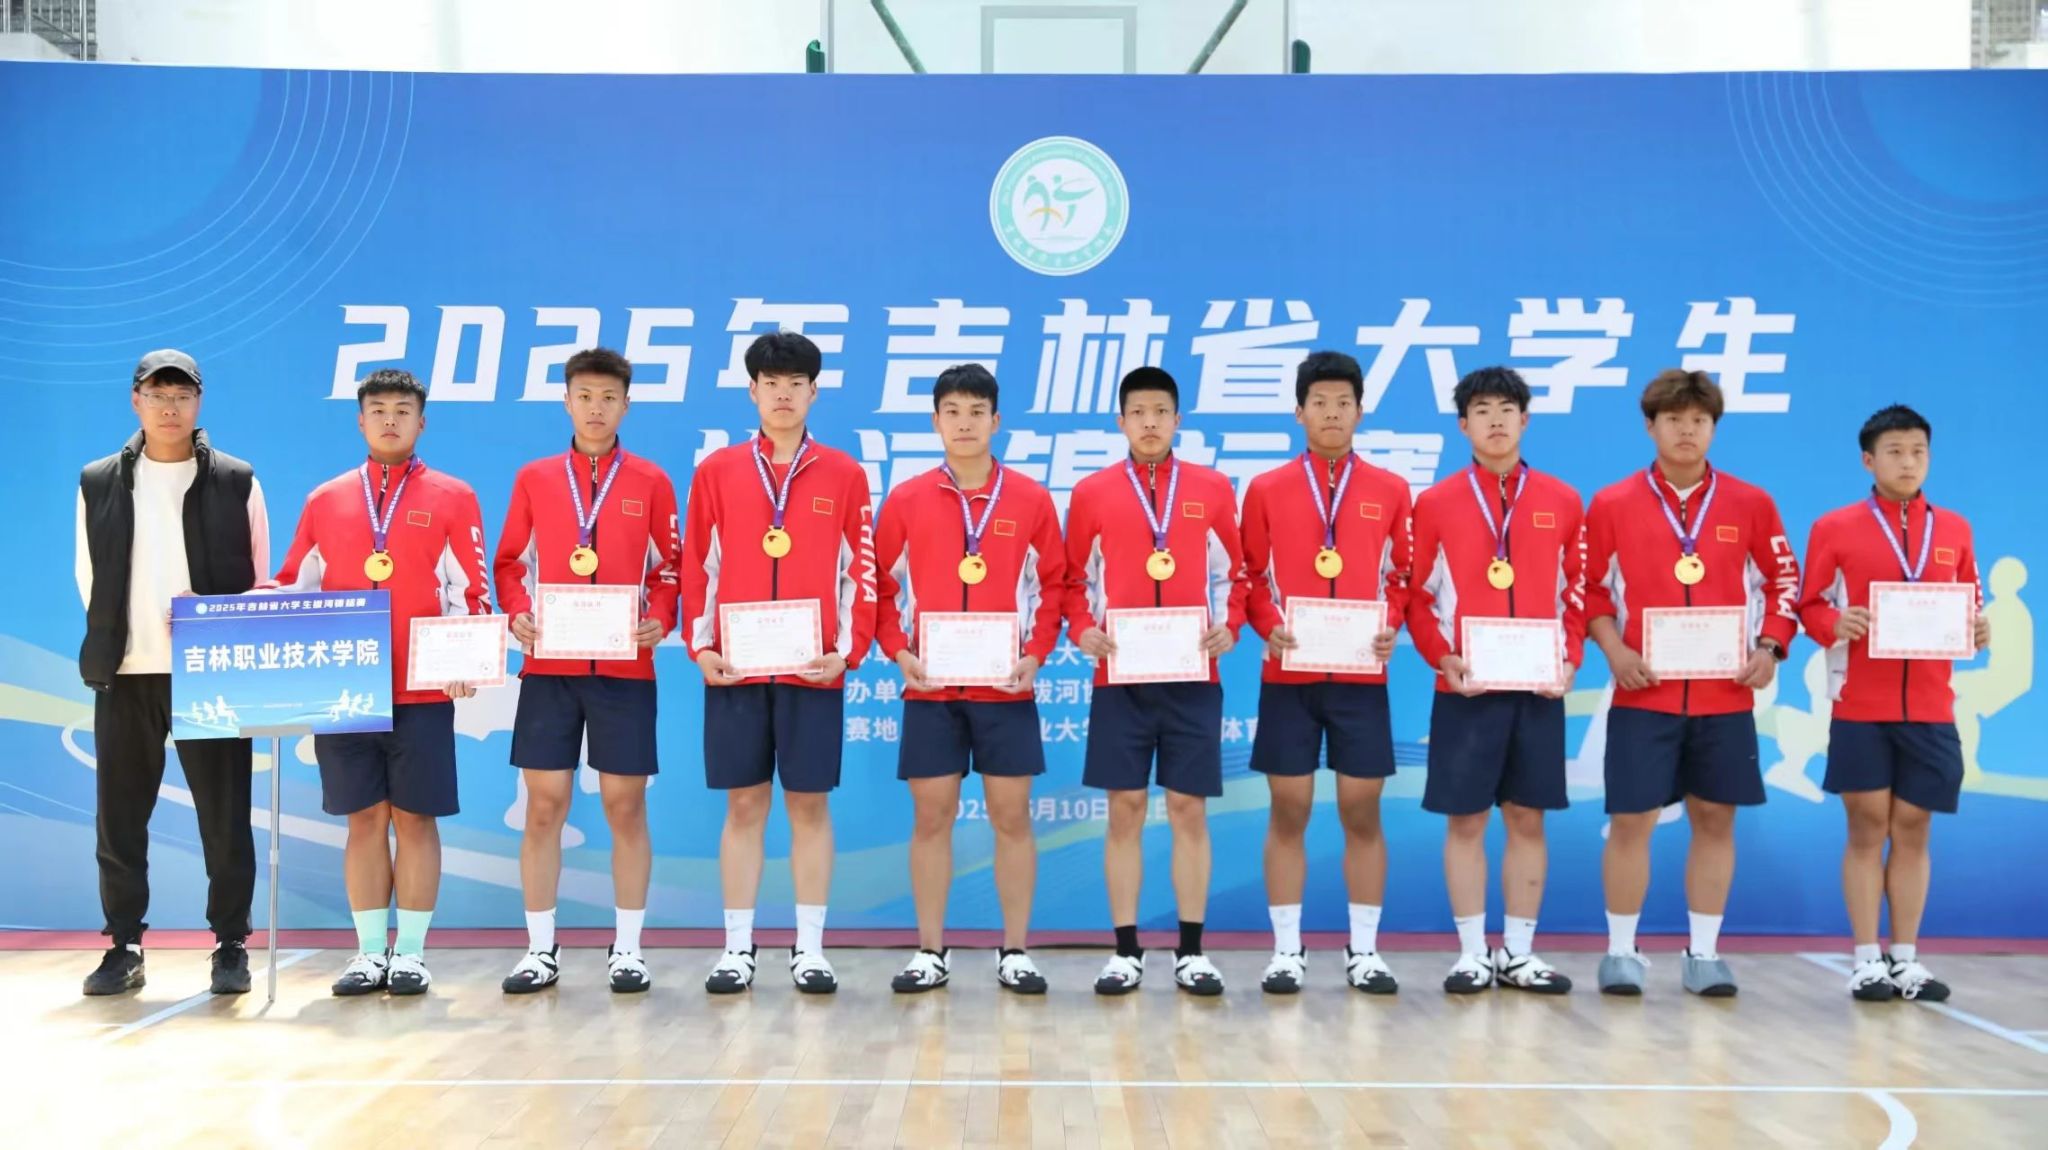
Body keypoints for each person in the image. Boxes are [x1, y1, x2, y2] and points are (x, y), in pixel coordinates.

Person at [1582, 369, 1800, 997]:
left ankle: (1703, 954)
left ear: (1713, 428)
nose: (1687, 431)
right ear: (1650, 426)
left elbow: (1784, 583)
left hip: (1723, 695)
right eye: (1674, 419)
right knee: (1631, 821)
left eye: (1699, 420)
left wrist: (1770, 646)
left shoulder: (1751, 503)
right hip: (1642, 691)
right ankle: (1621, 952)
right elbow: (1588, 591)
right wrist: (1615, 649)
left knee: (1715, 820)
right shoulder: (1613, 503)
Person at [274, 368, 490, 997]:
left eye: (402, 409)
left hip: (422, 690)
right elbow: (292, 587)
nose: (390, 419)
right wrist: (222, 614)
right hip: (346, 687)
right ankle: (370, 953)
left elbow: (472, 590)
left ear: (422, 421)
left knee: (416, 819)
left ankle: (412, 954)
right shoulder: (326, 499)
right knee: (364, 820)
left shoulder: (454, 496)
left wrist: (467, 661)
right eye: (378, 409)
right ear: (360, 420)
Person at [680, 331, 877, 995]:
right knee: (743, 806)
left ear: (814, 392)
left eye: (796, 384)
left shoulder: (844, 474)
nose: (783, 394)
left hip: (811, 669)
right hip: (736, 669)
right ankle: (738, 948)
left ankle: (810, 948)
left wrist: (845, 652)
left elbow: (860, 572)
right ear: (753, 391)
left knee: (809, 806)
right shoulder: (718, 471)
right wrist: (702, 646)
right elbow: (698, 568)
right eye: (772, 383)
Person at [76, 349, 269, 997]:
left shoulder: (237, 480)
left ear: (199, 402)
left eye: (181, 395)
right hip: (127, 672)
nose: (169, 407)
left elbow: (258, 582)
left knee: (225, 817)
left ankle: (230, 944)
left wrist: (211, 626)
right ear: (136, 401)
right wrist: (118, 638)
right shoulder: (99, 480)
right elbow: (89, 575)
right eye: (157, 395)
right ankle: (124, 945)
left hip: (209, 674)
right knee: (120, 820)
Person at [494, 347, 681, 994]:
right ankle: (539, 949)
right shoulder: (536, 478)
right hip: (549, 669)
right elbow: (509, 563)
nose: (596, 408)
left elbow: (670, 569)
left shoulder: (651, 481)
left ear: (626, 404)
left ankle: (627, 948)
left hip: (626, 669)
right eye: (585, 396)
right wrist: (518, 612)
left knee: (626, 807)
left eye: (608, 398)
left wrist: (660, 616)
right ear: (566, 401)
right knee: (544, 806)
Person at [874, 364, 1063, 995]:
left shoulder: (1030, 499)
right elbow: (879, 588)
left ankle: (1016, 950)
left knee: (1012, 817)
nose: (964, 423)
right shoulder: (906, 500)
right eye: (952, 412)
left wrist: (1035, 654)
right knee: (932, 818)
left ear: (995, 421)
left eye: (976, 412)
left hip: (1006, 688)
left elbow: (1054, 586)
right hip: (930, 688)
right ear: (935, 421)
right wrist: (899, 651)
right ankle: (931, 950)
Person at [1064, 366, 1249, 997]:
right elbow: (1072, 582)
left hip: (1194, 674)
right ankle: (1125, 951)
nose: (1149, 423)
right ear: (1121, 421)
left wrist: (1231, 626)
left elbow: (1237, 575)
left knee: (1188, 809)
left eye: (1160, 412)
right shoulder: (1092, 492)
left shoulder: (1212, 488)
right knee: (1125, 809)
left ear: (1177, 419)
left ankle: (1191, 951)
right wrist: (1082, 630)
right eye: (1138, 413)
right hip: (1120, 676)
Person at [1798, 404, 1987, 1003]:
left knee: (1913, 827)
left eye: (1918, 452)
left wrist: (1978, 628)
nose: (1908, 463)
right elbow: (1808, 605)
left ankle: (1904, 959)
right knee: (1867, 826)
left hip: (1931, 707)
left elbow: (1970, 600)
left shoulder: (1954, 529)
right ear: (1868, 460)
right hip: (1861, 704)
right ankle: (1865, 960)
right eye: (1895, 452)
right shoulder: (1835, 527)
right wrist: (1834, 623)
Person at [1407, 366, 1585, 995]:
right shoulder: (1436, 503)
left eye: (1507, 409)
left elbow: (1578, 593)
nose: (1496, 421)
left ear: (1525, 420)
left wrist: (1569, 659)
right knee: (1465, 822)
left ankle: (1519, 953)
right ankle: (1470, 953)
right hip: (1467, 688)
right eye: (1482, 410)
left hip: (1536, 690)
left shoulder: (1563, 500)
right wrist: (1443, 658)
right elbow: (1417, 596)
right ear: (1463, 425)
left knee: (1528, 819)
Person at [1241, 351, 1411, 995]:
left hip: (1362, 679)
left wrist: (1391, 623)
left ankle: (1364, 950)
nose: (1332, 413)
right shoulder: (1267, 488)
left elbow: (1403, 576)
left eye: (1344, 403)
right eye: (1320, 403)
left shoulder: (1391, 490)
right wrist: (1266, 623)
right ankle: (1287, 950)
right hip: (1288, 675)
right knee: (1289, 810)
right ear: (1299, 412)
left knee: (1362, 812)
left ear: (1360, 412)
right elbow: (1248, 576)